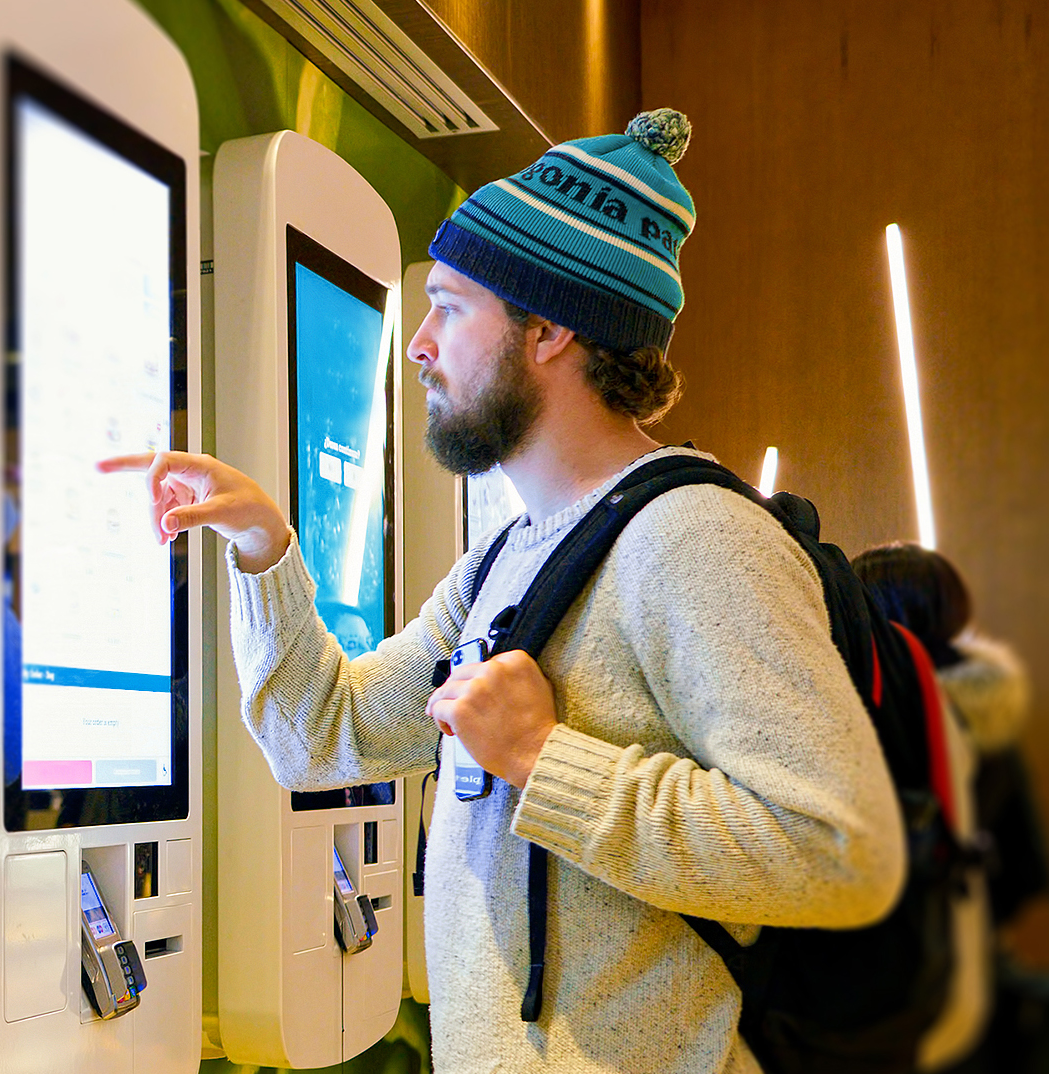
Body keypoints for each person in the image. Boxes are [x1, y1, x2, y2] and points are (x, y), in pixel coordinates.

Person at [102, 109, 907, 1073]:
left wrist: (540, 757)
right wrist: (263, 547)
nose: (420, 344)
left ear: (549, 327)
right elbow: (324, 737)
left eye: (449, 307)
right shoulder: (508, 555)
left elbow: (836, 850)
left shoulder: (697, 539)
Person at [852, 542, 1041, 1073]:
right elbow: (1023, 867)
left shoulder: (848, 715)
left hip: (862, 994)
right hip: (969, 979)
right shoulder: (990, 715)